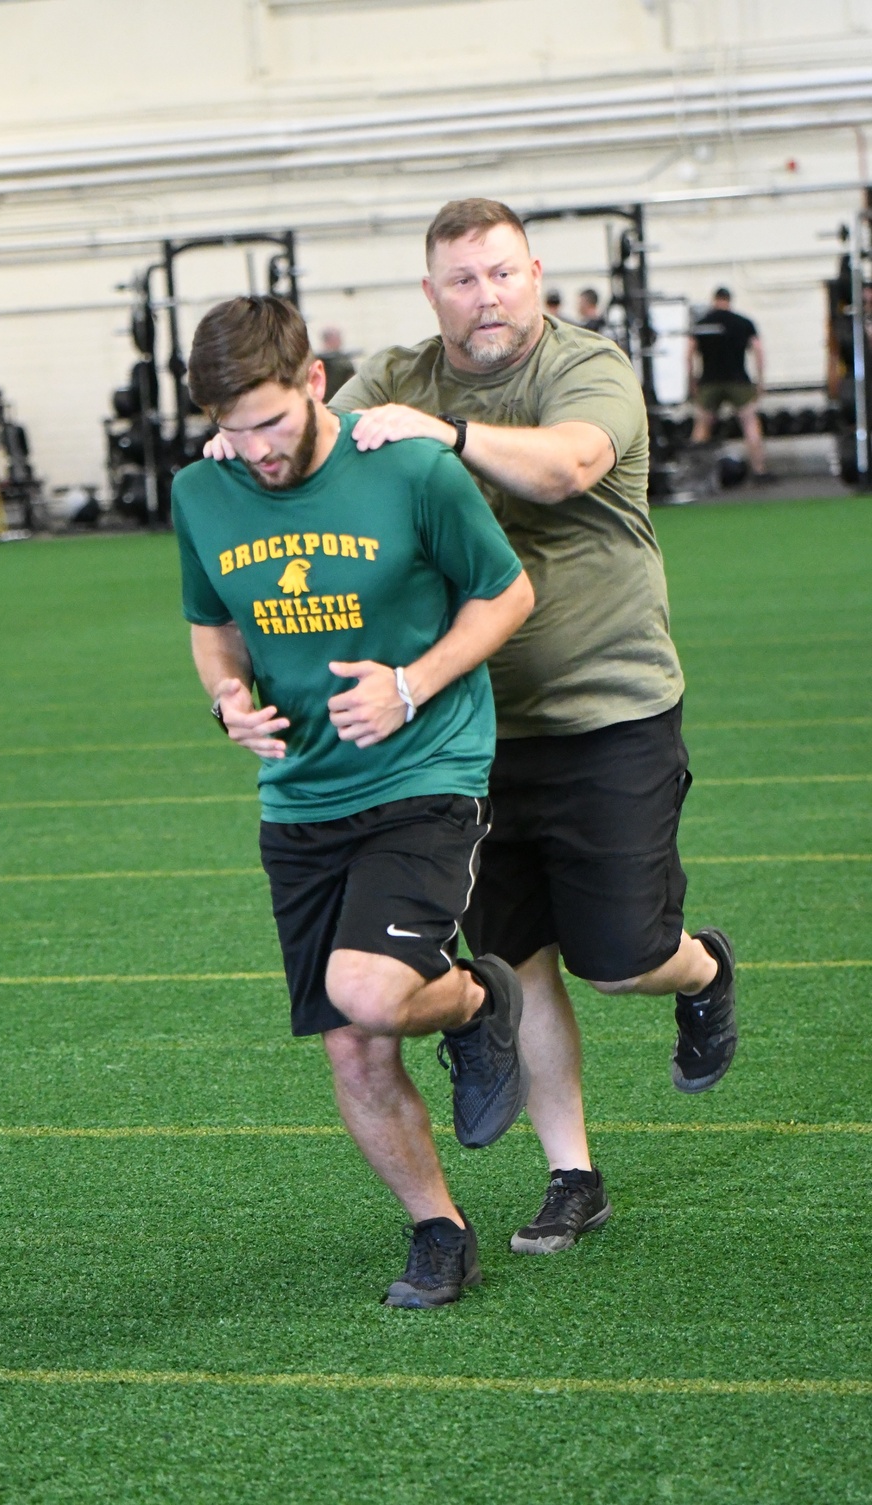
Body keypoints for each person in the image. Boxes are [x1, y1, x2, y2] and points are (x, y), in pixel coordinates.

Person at [331, 198, 738, 1259]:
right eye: (462, 280)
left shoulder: (585, 367)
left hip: (610, 710)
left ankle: (703, 971)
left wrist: (448, 434)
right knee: (519, 960)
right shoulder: (395, 371)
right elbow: (316, 447)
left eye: (502, 273)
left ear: (536, 275)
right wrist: (247, 431)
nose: (486, 296)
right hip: (468, 733)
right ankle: (572, 1174)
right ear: (432, 295)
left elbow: (564, 465)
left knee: (619, 958)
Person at [173, 294, 534, 1307]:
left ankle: (474, 995)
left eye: (270, 422)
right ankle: (438, 1226)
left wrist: (412, 682)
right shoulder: (202, 490)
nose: (252, 451)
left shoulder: (409, 467)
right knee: (351, 1042)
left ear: (315, 382)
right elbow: (213, 623)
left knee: (369, 991)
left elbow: (505, 593)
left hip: (423, 769)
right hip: (298, 796)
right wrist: (226, 700)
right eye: (230, 429)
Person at [689, 288, 770, 481]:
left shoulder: (701, 325)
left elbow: (687, 354)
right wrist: (760, 380)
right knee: (750, 424)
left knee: (702, 427)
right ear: (729, 301)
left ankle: (696, 475)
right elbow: (758, 351)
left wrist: (692, 381)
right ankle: (759, 471)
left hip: (709, 381)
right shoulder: (743, 323)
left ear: (714, 300)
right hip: (738, 380)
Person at [315, 326, 356, 400]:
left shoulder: (344, 361)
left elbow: (352, 382)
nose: (339, 341)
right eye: (336, 339)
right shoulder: (319, 361)